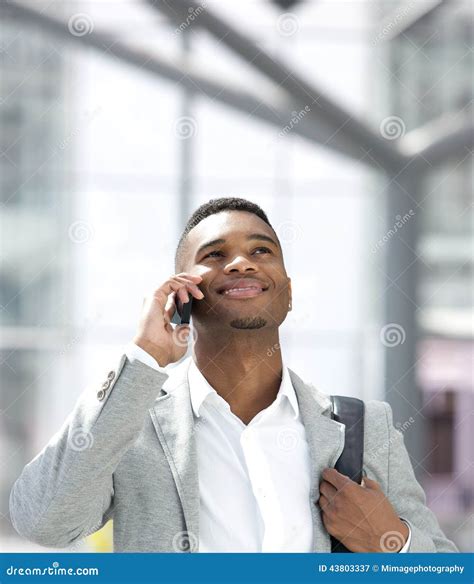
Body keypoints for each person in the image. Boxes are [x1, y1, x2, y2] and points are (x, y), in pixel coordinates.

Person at [9, 197, 458, 553]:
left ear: (287, 291)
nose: (242, 263)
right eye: (215, 254)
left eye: (261, 250)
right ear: (183, 293)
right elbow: (44, 522)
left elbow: (441, 567)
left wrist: (392, 542)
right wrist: (145, 356)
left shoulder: (364, 426)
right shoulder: (132, 424)